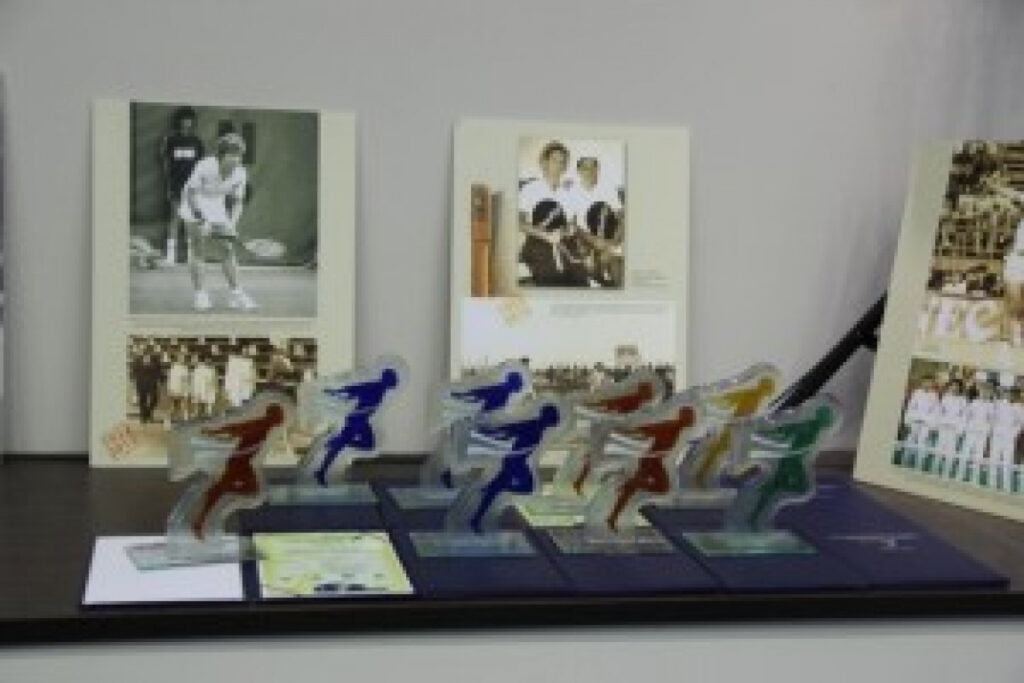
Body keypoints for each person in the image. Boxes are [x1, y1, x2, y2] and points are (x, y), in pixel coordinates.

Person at [179, 132, 256, 311]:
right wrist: (201, 219)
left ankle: (236, 294)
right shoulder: (205, 166)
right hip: (194, 202)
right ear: (221, 155)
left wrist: (232, 224)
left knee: (227, 249)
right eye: (231, 154)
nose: (236, 159)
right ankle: (200, 295)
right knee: (197, 247)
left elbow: (238, 202)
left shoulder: (240, 173)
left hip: (216, 204)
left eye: (239, 155)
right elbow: (191, 194)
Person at [190, 403, 285, 539]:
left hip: (244, 463)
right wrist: (213, 432)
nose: (282, 418)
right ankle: (199, 521)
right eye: (280, 415)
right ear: (273, 416)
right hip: (238, 463)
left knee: (252, 490)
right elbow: (236, 428)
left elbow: (238, 430)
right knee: (248, 490)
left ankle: (219, 490)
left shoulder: (267, 426)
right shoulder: (260, 424)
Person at [464, 402, 562, 533]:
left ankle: (478, 515)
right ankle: (492, 493)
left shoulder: (538, 427)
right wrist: (490, 433)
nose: (553, 423)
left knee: (497, 490)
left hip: (516, 461)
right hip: (515, 462)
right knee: (527, 487)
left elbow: (512, 431)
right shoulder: (533, 425)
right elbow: (511, 429)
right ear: (547, 418)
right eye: (553, 419)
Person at [604, 405, 697, 532]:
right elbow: (648, 429)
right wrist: (627, 432)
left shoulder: (678, 428)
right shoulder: (670, 425)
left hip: (655, 461)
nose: (692, 421)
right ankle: (614, 514)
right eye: (690, 418)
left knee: (658, 487)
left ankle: (630, 487)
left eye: (692, 418)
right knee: (656, 487)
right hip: (649, 461)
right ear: (684, 417)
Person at [308, 367, 401, 486]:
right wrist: (335, 392)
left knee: (367, 444)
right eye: (392, 381)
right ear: (387, 380)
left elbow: (357, 393)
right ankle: (322, 469)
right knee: (363, 444)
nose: (392, 385)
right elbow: (354, 389)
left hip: (361, 420)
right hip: (357, 420)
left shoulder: (380, 389)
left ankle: (335, 445)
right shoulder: (374, 387)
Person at [517, 141, 588, 287]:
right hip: (538, 241)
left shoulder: (569, 191)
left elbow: (572, 222)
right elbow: (520, 222)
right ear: (544, 162)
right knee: (553, 280)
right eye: (555, 160)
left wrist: (570, 229)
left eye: (563, 162)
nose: (559, 166)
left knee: (581, 281)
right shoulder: (530, 189)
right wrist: (546, 235)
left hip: (565, 242)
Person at [568, 155, 624, 287]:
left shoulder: (609, 189)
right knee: (591, 268)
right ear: (579, 171)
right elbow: (572, 225)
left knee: (616, 267)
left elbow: (621, 219)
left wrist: (612, 243)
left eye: (594, 167)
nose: (590, 171)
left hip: (609, 239)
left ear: (598, 169)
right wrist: (594, 241)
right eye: (585, 168)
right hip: (584, 239)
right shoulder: (571, 192)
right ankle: (598, 278)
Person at [159, 106, 204, 265]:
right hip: (176, 186)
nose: (187, 122)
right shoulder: (170, 140)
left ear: (192, 122)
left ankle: (191, 257)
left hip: (193, 188)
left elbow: (201, 167)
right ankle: (170, 257)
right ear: (179, 121)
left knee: (190, 221)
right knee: (175, 219)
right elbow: (166, 164)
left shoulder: (197, 142)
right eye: (184, 119)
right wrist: (169, 185)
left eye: (189, 119)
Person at [131, 350, 163, 424]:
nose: (146, 355)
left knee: (153, 399)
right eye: (145, 354)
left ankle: (149, 412)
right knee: (142, 400)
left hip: (152, 383)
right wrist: (133, 380)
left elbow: (159, 371)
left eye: (148, 354)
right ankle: (143, 417)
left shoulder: (155, 361)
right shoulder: (137, 361)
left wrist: (161, 380)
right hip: (141, 383)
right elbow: (133, 371)